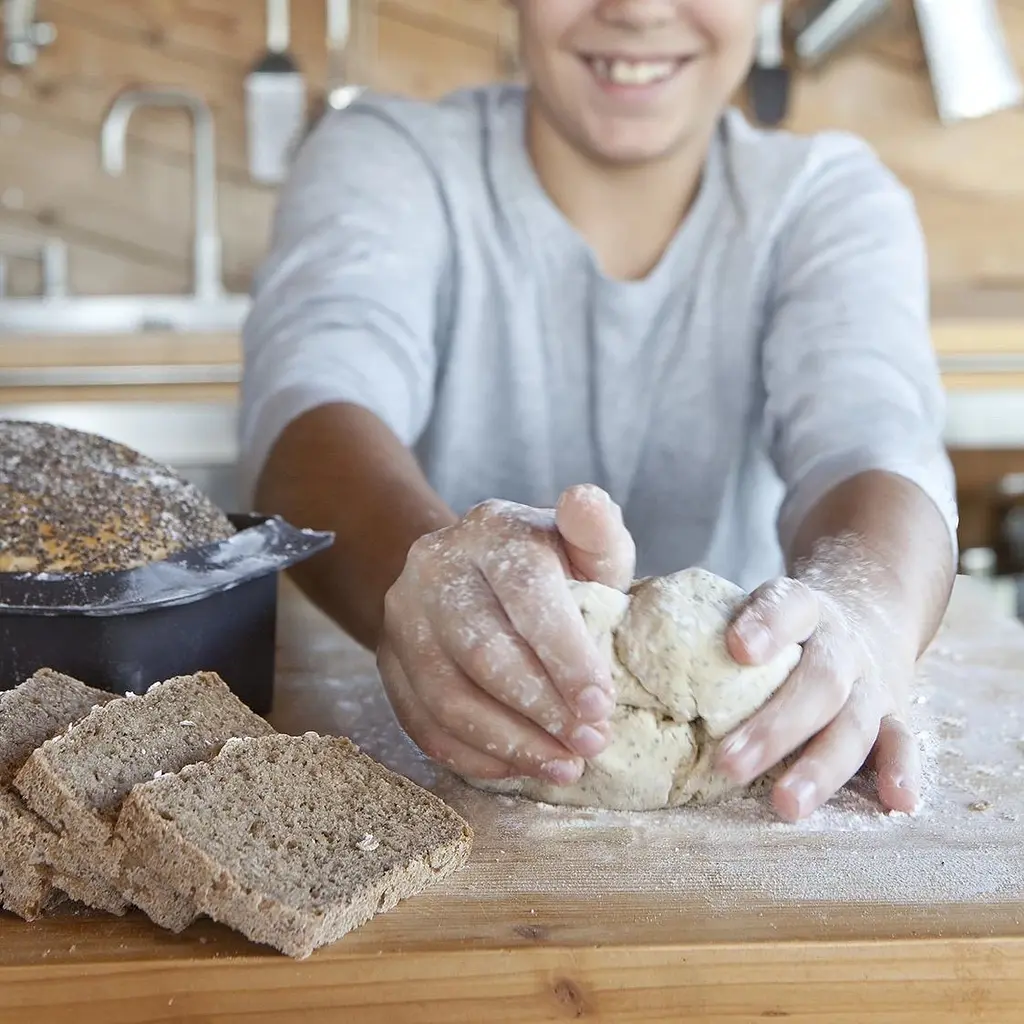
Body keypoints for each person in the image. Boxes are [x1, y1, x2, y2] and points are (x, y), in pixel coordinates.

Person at [239, 0, 958, 822]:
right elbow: (308, 413)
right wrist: (432, 580)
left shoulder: (824, 199)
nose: (639, 9)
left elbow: (878, 442)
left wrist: (866, 616)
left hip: (750, 774)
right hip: (420, 785)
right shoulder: (386, 158)